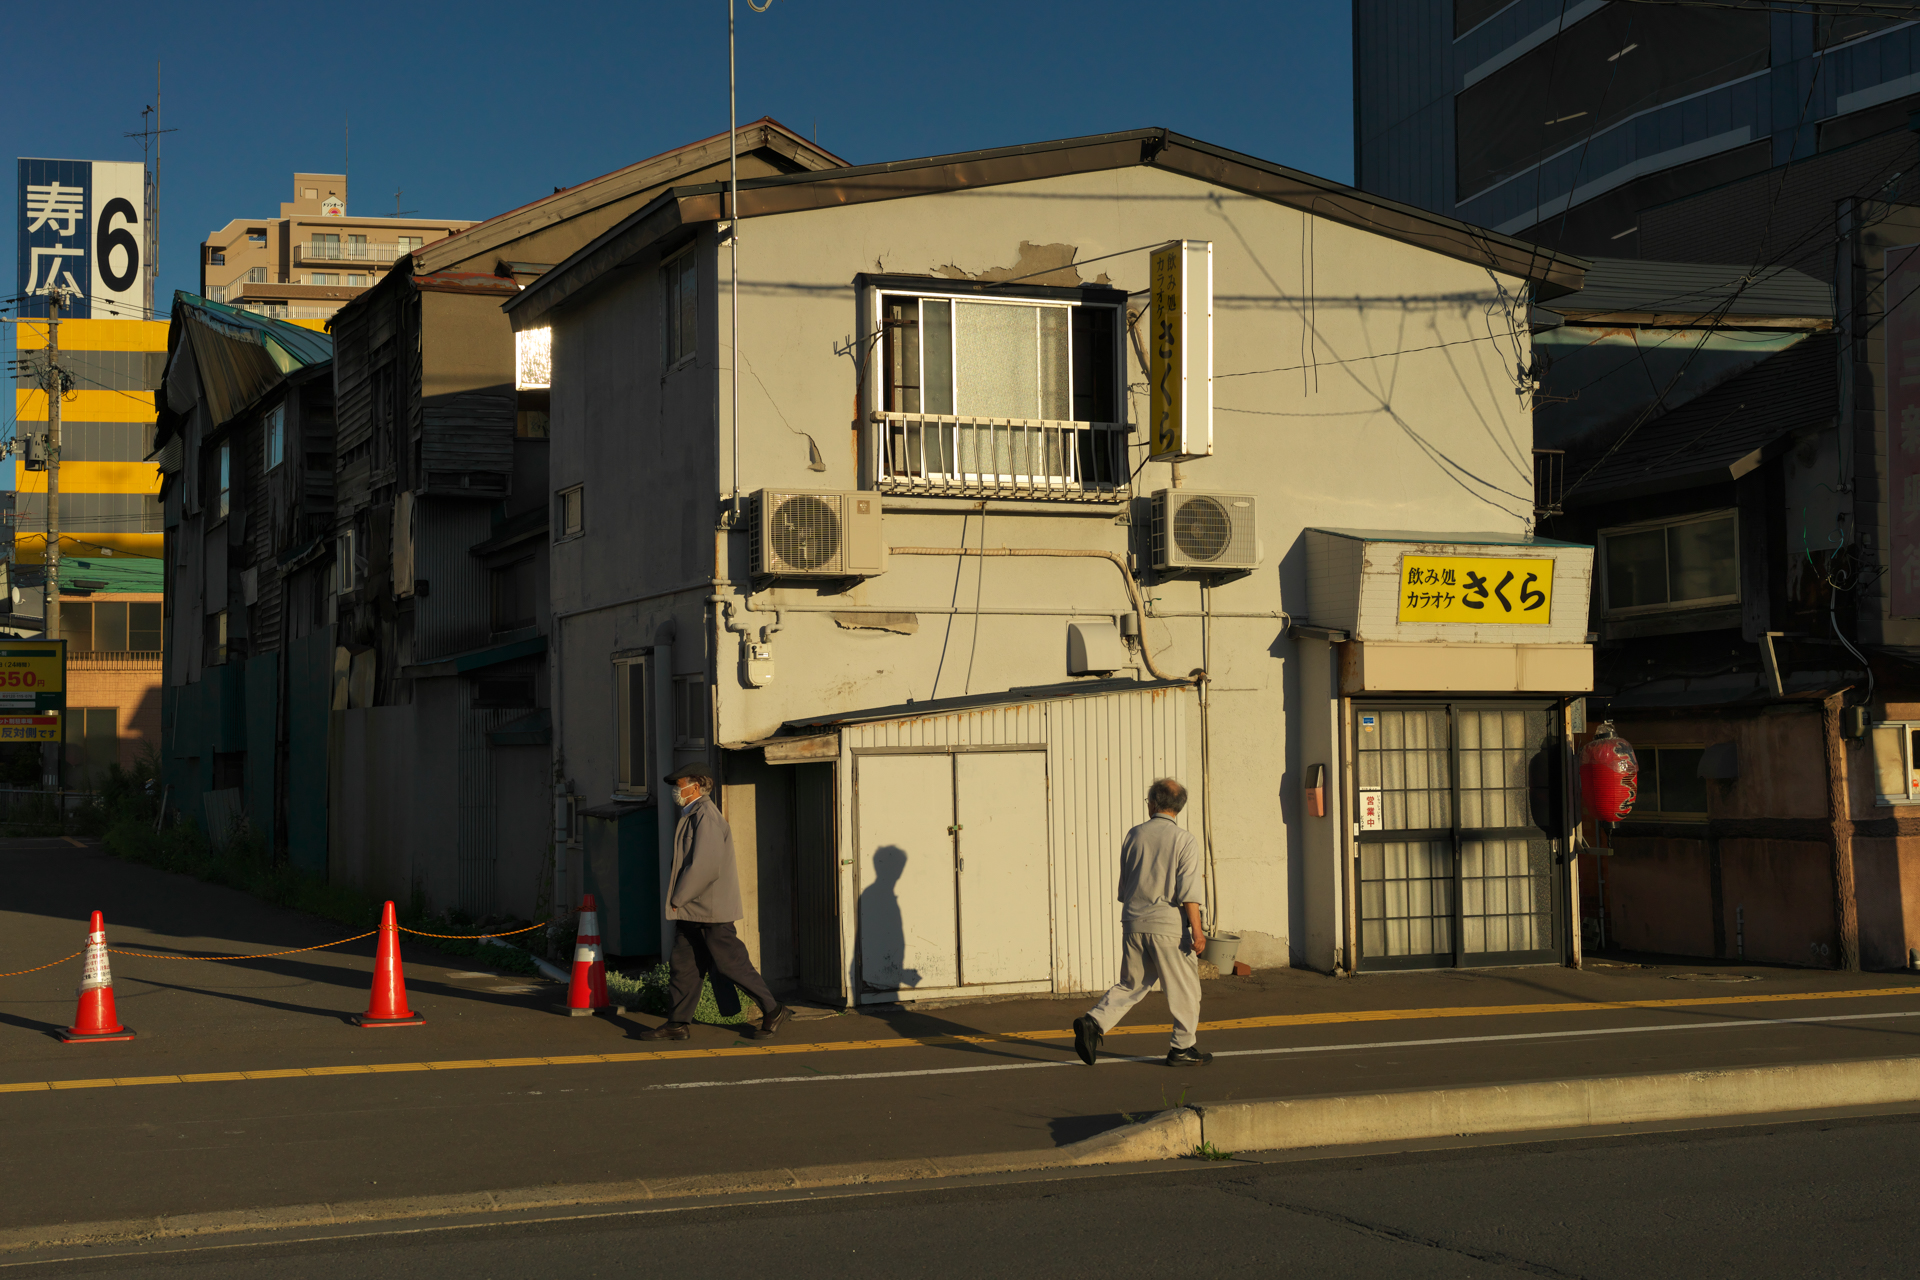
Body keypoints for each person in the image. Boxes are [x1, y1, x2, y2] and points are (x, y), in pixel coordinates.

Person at [638, 764, 792, 1042]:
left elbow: (705, 868)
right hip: (694, 910)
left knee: (731, 963)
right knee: (683, 966)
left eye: (680, 785)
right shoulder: (693, 814)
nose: (677, 791)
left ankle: (773, 1009)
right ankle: (677, 1023)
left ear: (695, 787)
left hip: (709, 909)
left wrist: (677, 898)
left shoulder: (706, 817)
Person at [1073, 777, 1211, 1068]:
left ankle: (1094, 1022)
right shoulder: (1183, 840)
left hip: (1134, 922)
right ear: (1179, 807)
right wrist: (1197, 931)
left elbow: (1124, 888)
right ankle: (1182, 1048)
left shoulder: (1134, 835)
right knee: (1186, 990)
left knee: (1131, 984)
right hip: (1168, 927)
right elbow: (1189, 891)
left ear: (1152, 803)